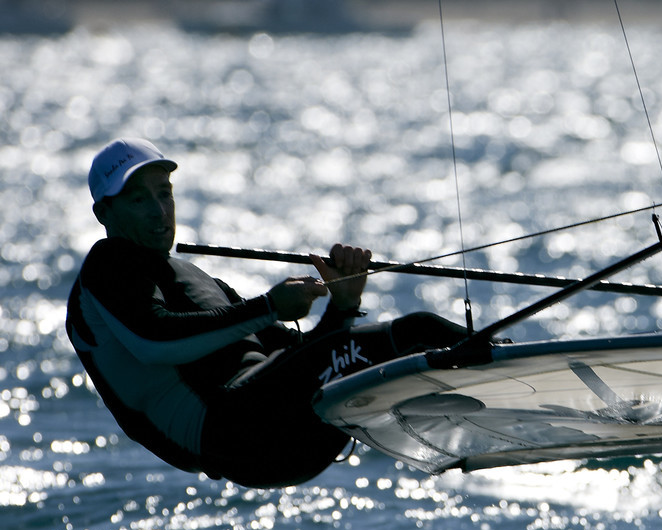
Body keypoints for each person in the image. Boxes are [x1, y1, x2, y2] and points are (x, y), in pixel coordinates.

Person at [66, 138, 468, 487]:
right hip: (233, 432)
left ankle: (482, 391)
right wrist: (270, 306)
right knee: (417, 332)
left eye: (164, 194)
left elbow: (301, 355)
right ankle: (495, 365)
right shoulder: (106, 264)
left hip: (286, 426)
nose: (159, 211)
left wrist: (343, 305)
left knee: (407, 340)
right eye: (139, 200)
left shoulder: (197, 279)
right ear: (104, 213)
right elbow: (155, 340)